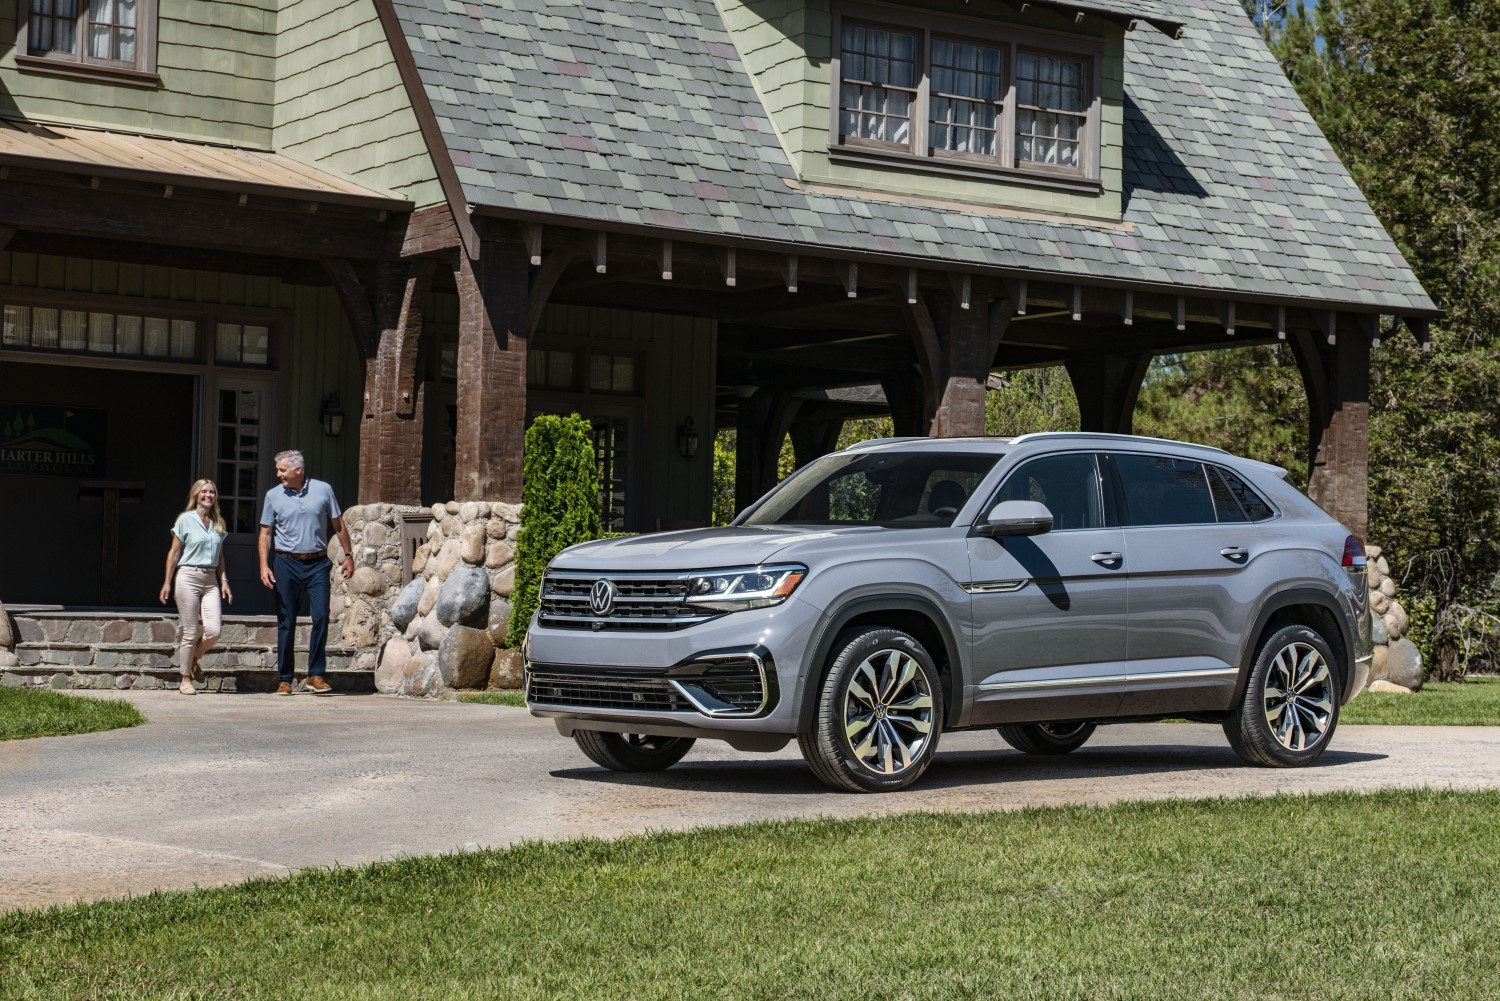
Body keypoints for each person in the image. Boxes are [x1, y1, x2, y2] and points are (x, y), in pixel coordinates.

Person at [258, 449, 354, 696]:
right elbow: (265, 533)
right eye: (278, 470)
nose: (278, 474)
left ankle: (315, 675)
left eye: (282, 470)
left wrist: (348, 556)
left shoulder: (323, 490)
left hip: (317, 564)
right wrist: (264, 565)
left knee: (321, 615)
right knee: (287, 620)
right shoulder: (273, 496)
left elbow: (338, 524)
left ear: (297, 470)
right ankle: (285, 679)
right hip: (286, 563)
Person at [160, 479, 232, 695]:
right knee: (190, 631)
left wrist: (225, 581)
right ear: (196, 495)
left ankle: (193, 660)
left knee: (214, 630)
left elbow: (220, 557)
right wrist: (167, 582)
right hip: (188, 576)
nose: (209, 495)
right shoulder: (185, 519)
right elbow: (173, 553)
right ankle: (185, 680)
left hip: (210, 579)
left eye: (212, 492)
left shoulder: (218, 522)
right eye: (204, 492)